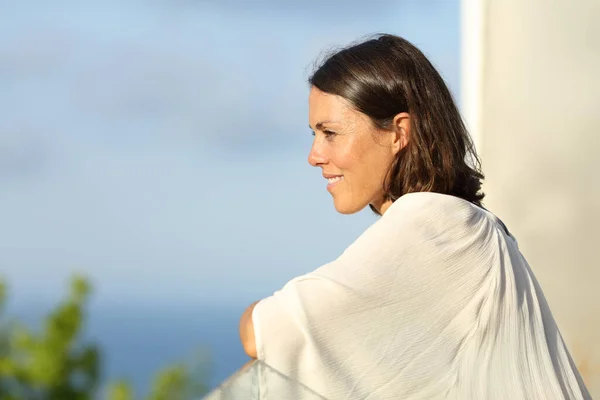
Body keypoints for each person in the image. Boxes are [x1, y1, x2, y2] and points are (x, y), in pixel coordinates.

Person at [238, 34, 591, 399]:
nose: (314, 155)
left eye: (330, 133)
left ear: (398, 133)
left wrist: (252, 315)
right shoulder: (469, 225)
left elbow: (263, 332)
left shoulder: (432, 225)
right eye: (314, 134)